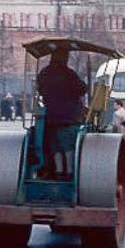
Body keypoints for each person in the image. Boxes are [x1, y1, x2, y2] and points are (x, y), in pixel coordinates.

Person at [36, 48, 87, 176]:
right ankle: (69, 170)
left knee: (55, 146)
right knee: (68, 146)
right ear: (65, 58)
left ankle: (58, 170)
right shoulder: (69, 74)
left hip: (50, 117)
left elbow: (40, 90)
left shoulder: (44, 73)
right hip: (69, 117)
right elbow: (81, 89)